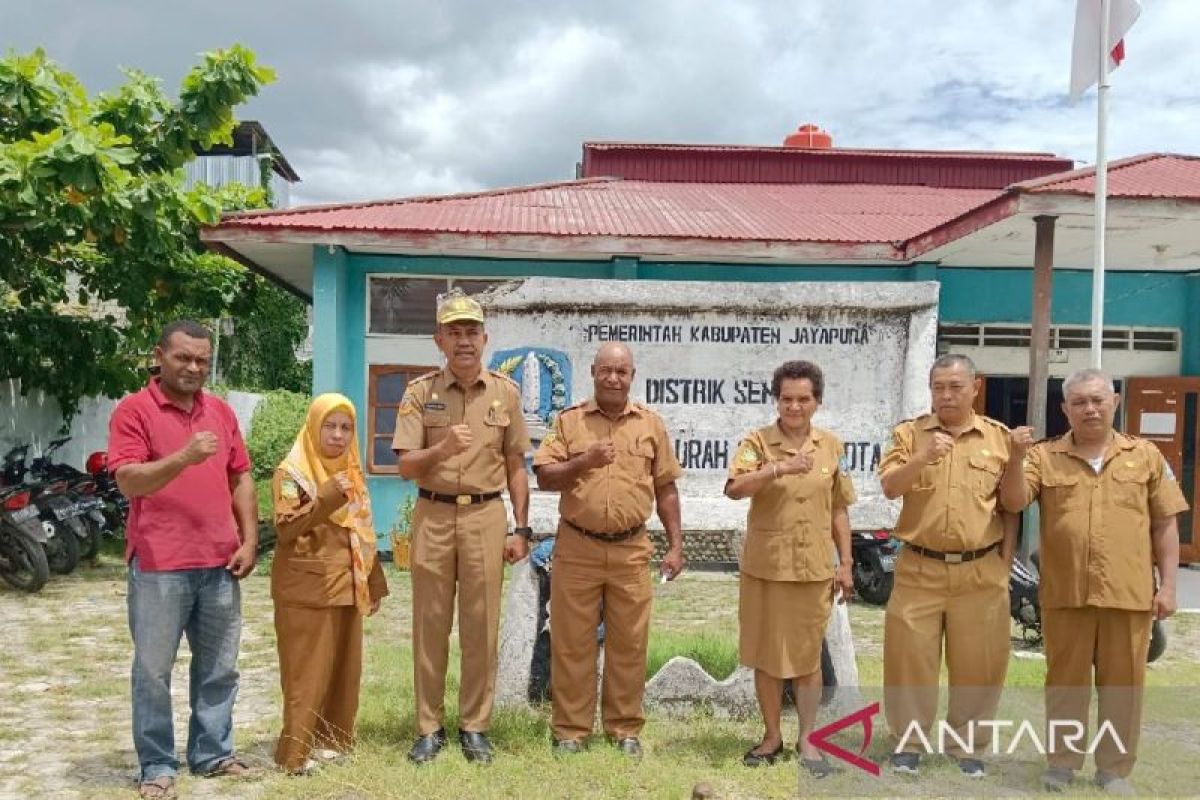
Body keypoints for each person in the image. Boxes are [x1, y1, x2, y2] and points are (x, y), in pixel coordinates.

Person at [1000, 368, 1188, 795]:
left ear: (1115, 402)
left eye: (1098, 400)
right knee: (1065, 684)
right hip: (1066, 595)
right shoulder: (1044, 457)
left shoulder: (1146, 457)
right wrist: (1014, 457)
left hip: (1128, 593)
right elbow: (1013, 501)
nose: (1090, 408)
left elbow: (1165, 525)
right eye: (1080, 402)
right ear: (1065, 409)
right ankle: (1062, 765)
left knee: (1123, 687)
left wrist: (1170, 587)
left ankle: (1114, 770)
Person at [107, 320, 258, 800]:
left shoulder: (221, 411)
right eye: (183, 358)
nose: (194, 367)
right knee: (153, 669)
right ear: (160, 355)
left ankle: (212, 753)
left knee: (220, 666)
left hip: (219, 561)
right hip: (159, 564)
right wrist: (184, 457)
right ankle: (156, 764)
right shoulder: (134, 410)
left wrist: (250, 539)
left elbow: (241, 477)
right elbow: (129, 480)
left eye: (201, 360)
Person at [391, 290, 532, 765]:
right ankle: (429, 727)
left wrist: (521, 528)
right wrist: (442, 450)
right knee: (430, 624)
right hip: (432, 514)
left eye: (472, 331)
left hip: (486, 517)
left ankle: (475, 726)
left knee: (481, 626)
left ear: (485, 338)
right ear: (439, 340)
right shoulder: (419, 393)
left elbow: (516, 465)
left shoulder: (505, 394)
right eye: (455, 332)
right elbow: (407, 466)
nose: (464, 341)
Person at [533, 342, 684, 758]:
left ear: (632, 376)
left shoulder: (651, 425)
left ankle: (624, 729)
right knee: (572, 642)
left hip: (631, 548)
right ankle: (570, 731)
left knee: (629, 643)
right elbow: (545, 476)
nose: (614, 378)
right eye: (606, 370)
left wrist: (675, 545)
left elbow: (666, 487)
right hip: (577, 546)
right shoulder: (569, 422)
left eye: (622, 371)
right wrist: (586, 461)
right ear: (594, 373)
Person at [877, 353, 1017, 778]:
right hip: (920, 566)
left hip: (980, 570)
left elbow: (1012, 506)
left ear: (975, 387)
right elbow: (889, 487)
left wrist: (1005, 560)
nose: (946, 395)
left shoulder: (999, 439)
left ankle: (968, 747)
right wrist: (922, 456)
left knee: (979, 662)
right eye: (939, 387)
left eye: (956, 386)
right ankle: (908, 744)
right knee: (908, 660)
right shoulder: (908, 433)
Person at [724, 360, 854, 777]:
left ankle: (809, 740)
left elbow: (839, 509)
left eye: (803, 399)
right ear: (776, 400)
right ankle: (771, 736)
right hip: (766, 568)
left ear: (817, 401)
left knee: (806, 659)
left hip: (813, 569)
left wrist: (846, 561)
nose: (794, 407)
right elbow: (734, 488)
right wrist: (778, 467)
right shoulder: (756, 442)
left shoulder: (831, 446)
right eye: (786, 399)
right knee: (765, 655)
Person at [270, 393, 388, 774]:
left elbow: (362, 530)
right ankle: (295, 755)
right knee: (306, 672)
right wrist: (324, 497)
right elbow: (286, 529)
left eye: (346, 428)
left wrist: (374, 580)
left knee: (343, 669)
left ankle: (332, 742)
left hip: (347, 583)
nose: (338, 435)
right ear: (313, 427)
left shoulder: (351, 469)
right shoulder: (292, 473)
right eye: (330, 426)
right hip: (306, 588)